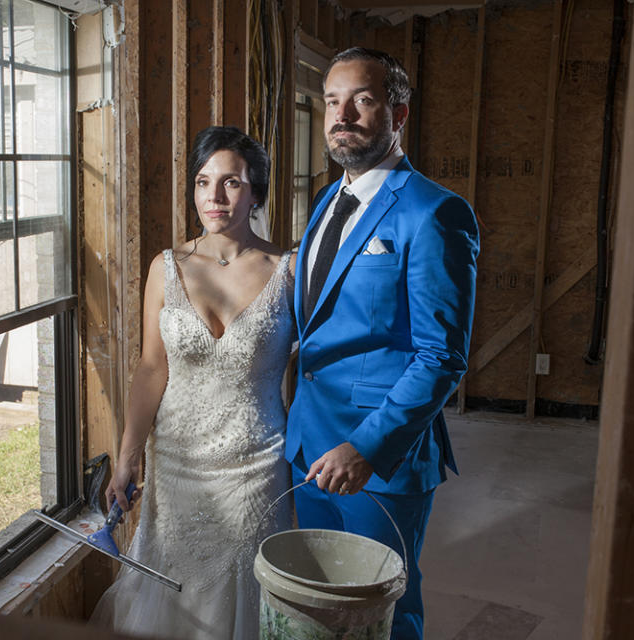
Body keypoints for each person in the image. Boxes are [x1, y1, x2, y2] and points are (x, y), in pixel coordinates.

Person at [286, 47, 479, 639]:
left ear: (399, 114)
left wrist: (367, 447)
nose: (342, 115)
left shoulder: (436, 214)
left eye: (363, 101)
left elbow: (441, 356)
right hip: (309, 446)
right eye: (333, 101)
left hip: (377, 460)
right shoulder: (327, 200)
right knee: (321, 605)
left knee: (381, 611)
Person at [90, 126, 295, 639]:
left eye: (231, 183)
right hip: (177, 464)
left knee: (246, 594)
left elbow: (316, 366)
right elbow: (151, 367)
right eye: (204, 182)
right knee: (172, 593)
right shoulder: (167, 266)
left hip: (257, 462)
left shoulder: (290, 270)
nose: (214, 197)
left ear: (256, 191)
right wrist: (129, 454)